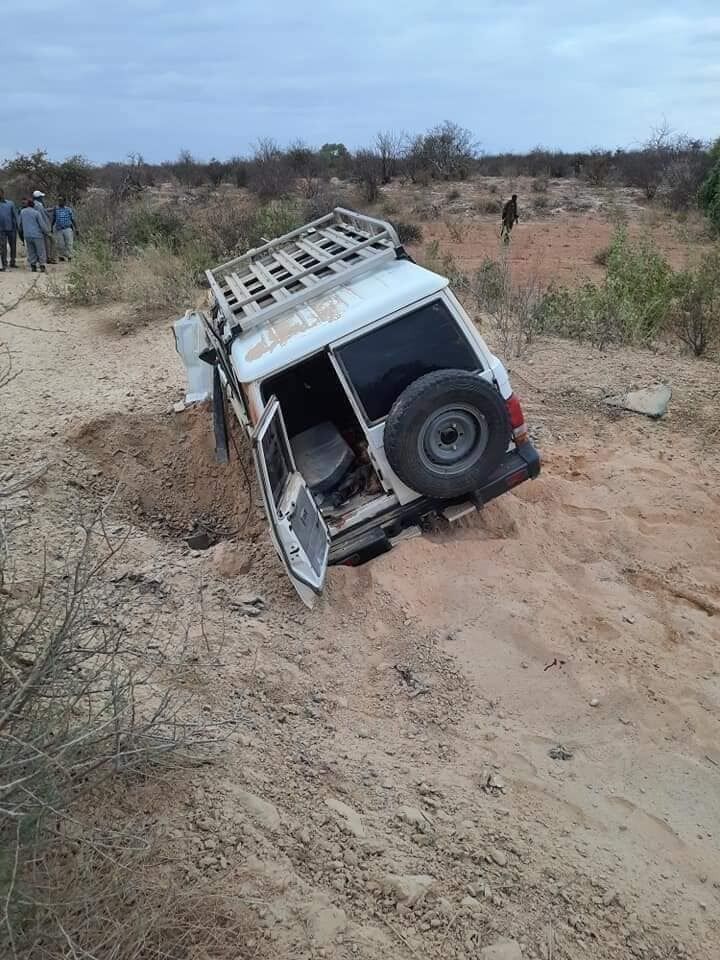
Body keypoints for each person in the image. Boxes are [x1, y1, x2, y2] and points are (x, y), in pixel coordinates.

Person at [17, 197, 51, 272]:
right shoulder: (36, 213)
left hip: (27, 235)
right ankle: (42, 265)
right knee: (40, 251)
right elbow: (42, 225)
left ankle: (33, 266)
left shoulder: (22, 212)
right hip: (37, 235)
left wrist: (21, 235)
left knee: (31, 251)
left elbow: (20, 225)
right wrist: (47, 232)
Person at [32, 190, 57, 263]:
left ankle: (48, 258)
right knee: (52, 242)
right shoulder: (38, 205)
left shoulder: (37, 205)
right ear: (39, 197)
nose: (42, 198)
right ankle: (49, 258)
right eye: (41, 197)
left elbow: (44, 211)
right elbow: (41, 215)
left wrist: (52, 209)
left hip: (43, 227)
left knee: (47, 243)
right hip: (44, 227)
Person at [0, 189, 18, 271]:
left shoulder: (10, 203)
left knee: (13, 246)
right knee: (3, 247)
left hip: (11, 228)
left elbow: (15, 216)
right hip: (1, 230)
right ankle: (4, 263)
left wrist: (17, 227)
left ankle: (13, 262)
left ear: (3, 193)